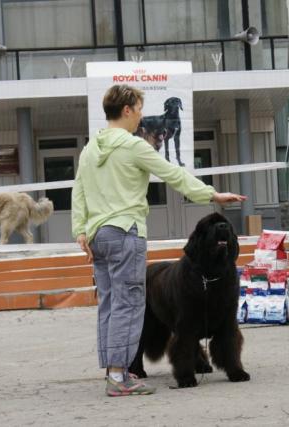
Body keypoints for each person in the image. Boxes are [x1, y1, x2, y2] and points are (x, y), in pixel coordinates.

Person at [71, 84, 246, 397]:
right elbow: (173, 174)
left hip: (98, 235)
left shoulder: (88, 149)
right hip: (125, 232)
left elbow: (79, 191)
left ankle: (113, 370)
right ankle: (118, 377)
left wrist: (80, 230)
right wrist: (212, 194)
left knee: (110, 304)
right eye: (139, 108)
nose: (141, 115)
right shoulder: (133, 145)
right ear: (126, 110)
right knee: (129, 304)